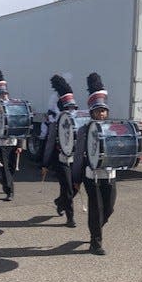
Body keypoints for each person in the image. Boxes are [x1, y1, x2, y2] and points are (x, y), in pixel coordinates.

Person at [72, 73, 116, 255]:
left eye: (104, 110)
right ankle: (95, 242)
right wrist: (76, 178)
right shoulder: (84, 130)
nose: (102, 113)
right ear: (92, 112)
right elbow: (78, 156)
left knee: (109, 208)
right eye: (98, 111)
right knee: (96, 209)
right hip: (92, 176)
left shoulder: (113, 128)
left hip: (110, 175)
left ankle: (96, 229)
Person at [42, 75, 78, 227]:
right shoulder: (56, 123)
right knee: (68, 188)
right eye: (68, 108)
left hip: (75, 160)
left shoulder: (78, 121)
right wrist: (44, 163)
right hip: (61, 159)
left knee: (73, 187)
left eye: (73, 108)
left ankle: (60, 201)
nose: (71, 110)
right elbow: (50, 144)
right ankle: (70, 218)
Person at [0, 66, 24, 201]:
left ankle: (5, 181)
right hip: (0, 144)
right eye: (1, 95)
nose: (4, 96)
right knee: (5, 169)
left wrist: (20, 144)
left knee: (11, 168)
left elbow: (21, 128)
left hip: (13, 142)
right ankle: (10, 191)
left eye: (5, 94)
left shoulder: (15, 109)